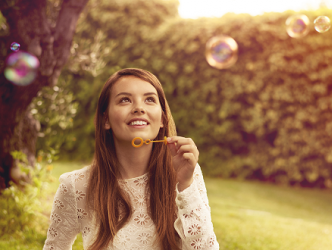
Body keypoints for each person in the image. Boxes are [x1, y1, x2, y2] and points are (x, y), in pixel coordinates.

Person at [43, 68, 219, 250]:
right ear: (106, 120)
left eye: (149, 99)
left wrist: (185, 184)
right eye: (125, 100)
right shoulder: (76, 186)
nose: (139, 108)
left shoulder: (186, 174)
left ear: (162, 120)